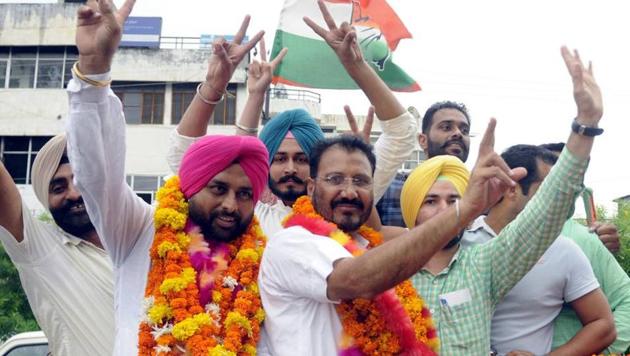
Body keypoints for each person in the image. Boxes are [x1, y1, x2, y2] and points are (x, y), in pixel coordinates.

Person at [258, 2, 527, 354]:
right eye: (335, 179)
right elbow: (357, 279)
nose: (349, 192)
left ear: (376, 186)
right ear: (312, 186)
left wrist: (357, 66)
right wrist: (465, 210)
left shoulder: (373, 246)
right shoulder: (291, 242)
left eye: (361, 181)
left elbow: (400, 132)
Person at [65, 1, 274, 355]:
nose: (230, 204)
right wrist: (93, 73)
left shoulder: (261, 257)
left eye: (243, 195)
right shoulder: (138, 231)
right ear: (190, 186)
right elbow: (96, 175)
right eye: (218, 188)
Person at [394, 45, 611, 354]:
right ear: (410, 211)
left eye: (454, 200)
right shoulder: (389, 269)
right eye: (430, 201)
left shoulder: (484, 263)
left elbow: (547, 209)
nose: (445, 210)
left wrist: (585, 125)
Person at [167, 12, 419, 239]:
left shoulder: (342, 202)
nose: (290, 168)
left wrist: (356, 67)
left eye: (301, 159)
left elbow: (401, 133)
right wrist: (217, 86)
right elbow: (184, 157)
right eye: (279, 159)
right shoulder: (248, 212)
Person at [462, 144, 614, 355]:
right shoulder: (460, 241)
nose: (556, 201)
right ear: (512, 188)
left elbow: (603, 325)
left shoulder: (563, 250)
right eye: (547, 190)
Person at [0, 134, 114, 355]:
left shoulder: (136, 246)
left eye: (80, 182)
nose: (73, 194)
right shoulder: (41, 250)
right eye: (58, 188)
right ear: (46, 199)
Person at [538, 143, 630, 354]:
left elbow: (626, 299)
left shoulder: (581, 238)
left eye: (573, 175)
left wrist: (603, 350)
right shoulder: (499, 236)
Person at [376, 100, 471, 226]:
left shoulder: (482, 194)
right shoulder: (388, 188)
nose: (458, 133)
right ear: (423, 140)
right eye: (446, 127)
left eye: (464, 130)